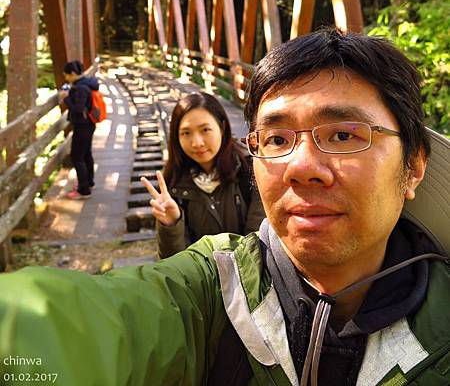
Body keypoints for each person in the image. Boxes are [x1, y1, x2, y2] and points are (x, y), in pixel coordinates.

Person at [0, 29, 448, 386]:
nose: (301, 167)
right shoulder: (213, 290)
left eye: (344, 135)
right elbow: (74, 324)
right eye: (276, 139)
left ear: (413, 166)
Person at [141, 92, 265, 258]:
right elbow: (173, 264)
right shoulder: (174, 185)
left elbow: (259, 244)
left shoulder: (250, 171)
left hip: (249, 278)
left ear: (221, 128)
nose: (196, 142)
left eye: (205, 130)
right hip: (201, 282)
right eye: (186, 133)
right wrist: (171, 224)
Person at [58, 60, 99, 200]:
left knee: (77, 156)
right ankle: (88, 182)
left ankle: (84, 190)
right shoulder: (85, 84)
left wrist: (66, 99)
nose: (66, 78)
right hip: (88, 124)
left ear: (73, 74)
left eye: (67, 75)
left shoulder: (81, 88)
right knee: (86, 154)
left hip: (83, 125)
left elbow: (78, 108)